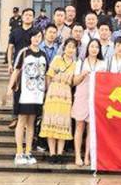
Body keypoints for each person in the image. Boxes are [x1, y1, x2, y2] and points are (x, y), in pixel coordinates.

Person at [8, 28, 47, 166]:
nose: (36, 39)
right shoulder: (24, 52)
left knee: (31, 123)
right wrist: (10, 87)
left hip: (37, 94)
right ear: (30, 38)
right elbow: (16, 70)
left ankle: (28, 151)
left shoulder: (43, 54)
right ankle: (19, 152)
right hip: (25, 93)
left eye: (39, 36)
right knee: (22, 121)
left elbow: (45, 74)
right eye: (34, 36)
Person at [40, 38, 76, 162]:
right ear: (64, 48)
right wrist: (47, 91)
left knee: (63, 124)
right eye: (69, 46)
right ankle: (52, 153)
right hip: (53, 93)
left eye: (73, 47)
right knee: (51, 122)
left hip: (66, 95)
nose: (70, 49)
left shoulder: (76, 64)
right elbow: (49, 76)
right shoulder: (57, 59)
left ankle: (59, 154)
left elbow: (73, 82)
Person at [72, 38, 106, 166]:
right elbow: (74, 82)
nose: (94, 49)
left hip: (95, 98)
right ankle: (77, 155)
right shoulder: (80, 63)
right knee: (79, 126)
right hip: (81, 96)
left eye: (97, 47)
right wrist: (82, 75)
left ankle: (87, 155)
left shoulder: (103, 64)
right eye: (92, 46)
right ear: (87, 48)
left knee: (91, 127)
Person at [7, 8, 36, 129]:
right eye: (26, 15)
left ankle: (26, 119)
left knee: (29, 91)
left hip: (32, 66)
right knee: (17, 91)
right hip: (18, 66)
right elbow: (10, 48)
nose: (28, 17)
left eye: (30, 15)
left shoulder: (35, 32)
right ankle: (15, 117)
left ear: (33, 18)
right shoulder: (15, 31)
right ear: (22, 17)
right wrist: (10, 64)